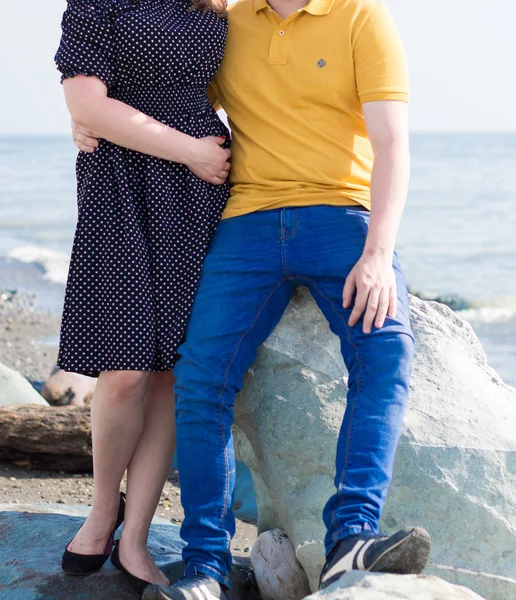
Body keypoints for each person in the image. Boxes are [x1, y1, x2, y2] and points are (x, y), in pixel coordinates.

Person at [76, 0, 432, 597]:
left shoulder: (362, 17)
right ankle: (206, 567)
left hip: (339, 216)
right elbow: (165, 86)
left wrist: (377, 254)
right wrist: (89, 118)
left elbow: (393, 144)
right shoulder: (228, 21)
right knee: (199, 376)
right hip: (246, 220)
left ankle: (351, 538)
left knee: (388, 351)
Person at [54, 0, 231, 596]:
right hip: (122, 183)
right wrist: (189, 149)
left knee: (170, 374)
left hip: (196, 193)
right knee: (125, 369)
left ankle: (135, 536)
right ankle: (103, 511)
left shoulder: (221, 5)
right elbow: (85, 101)